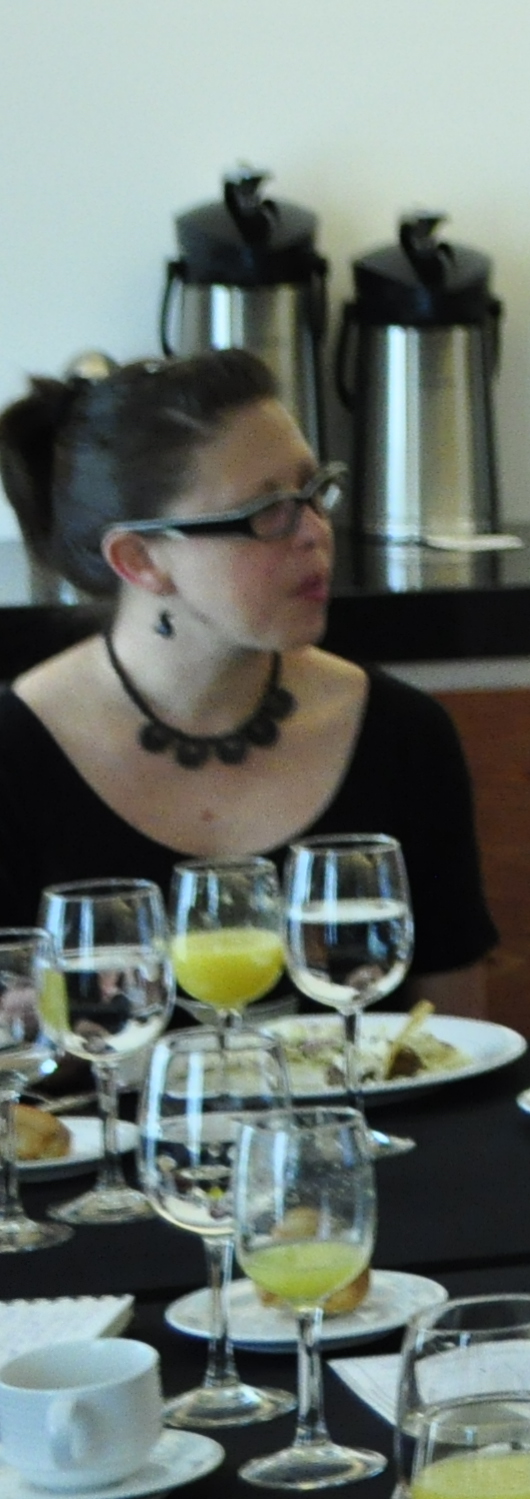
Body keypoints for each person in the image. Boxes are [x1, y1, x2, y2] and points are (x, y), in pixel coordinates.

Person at [0, 352, 497, 1008]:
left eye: (314, 493)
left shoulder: (403, 734)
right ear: (140, 559)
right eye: (267, 512)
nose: (315, 533)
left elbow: (455, 1033)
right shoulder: (15, 752)